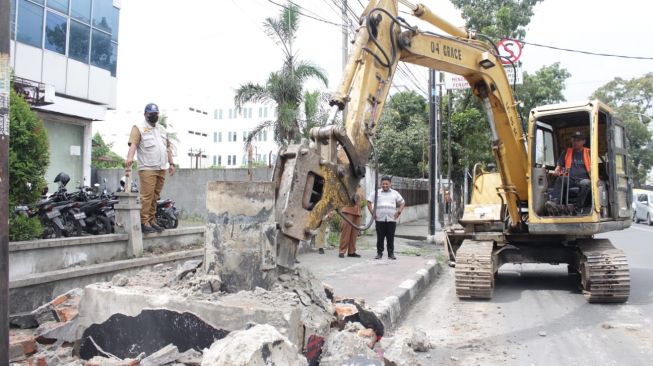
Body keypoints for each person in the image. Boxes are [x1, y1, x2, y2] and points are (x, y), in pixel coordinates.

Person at [125, 103, 175, 234]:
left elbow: (167, 148)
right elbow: (133, 144)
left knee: (155, 196)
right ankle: (144, 221)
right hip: (147, 167)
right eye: (151, 114)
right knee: (147, 196)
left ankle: (152, 220)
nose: (154, 116)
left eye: (156, 114)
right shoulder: (139, 128)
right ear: (145, 114)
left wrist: (172, 163)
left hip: (161, 167)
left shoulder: (162, 129)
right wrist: (129, 158)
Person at [547, 130, 591, 213]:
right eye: (574, 140)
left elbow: (594, 167)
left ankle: (577, 207)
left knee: (585, 183)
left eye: (578, 141)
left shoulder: (589, 152)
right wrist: (557, 171)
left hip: (584, 179)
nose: (575, 143)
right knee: (561, 179)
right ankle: (553, 202)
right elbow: (559, 166)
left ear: (583, 141)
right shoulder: (566, 152)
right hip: (570, 178)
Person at [367, 176, 405, 260]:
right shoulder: (376, 193)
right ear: (381, 184)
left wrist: (399, 212)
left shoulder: (395, 193)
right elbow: (369, 202)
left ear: (390, 184)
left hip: (391, 219)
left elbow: (402, 202)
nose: (385, 185)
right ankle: (379, 253)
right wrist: (372, 213)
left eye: (386, 184)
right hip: (380, 219)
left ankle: (391, 254)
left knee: (390, 237)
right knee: (380, 237)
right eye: (383, 184)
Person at [338, 184, 365, 258]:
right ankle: (342, 251)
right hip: (347, 211)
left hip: (357, 212)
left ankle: (351, 252)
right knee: (346, 232)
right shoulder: (348, 184)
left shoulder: (360, 188)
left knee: (354, 234)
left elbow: (361, 199)